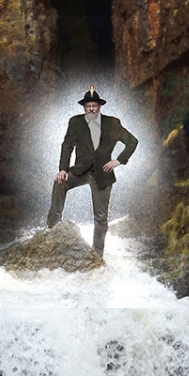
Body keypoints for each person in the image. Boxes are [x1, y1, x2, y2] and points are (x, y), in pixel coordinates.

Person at [47, 87, 138, 255]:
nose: (91, 109)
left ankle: (97, 255)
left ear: (100, 107)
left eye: (94, 105)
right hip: (80, 171)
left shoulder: (113, 123)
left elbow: (132, 141)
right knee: (59, 182)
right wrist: (63, 169)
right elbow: (67, 146)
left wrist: (118, 160)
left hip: (102, 174)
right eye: (88, 105)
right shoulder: (75, 122)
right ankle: (52, 231)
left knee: (101, 218)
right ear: (84, 107)